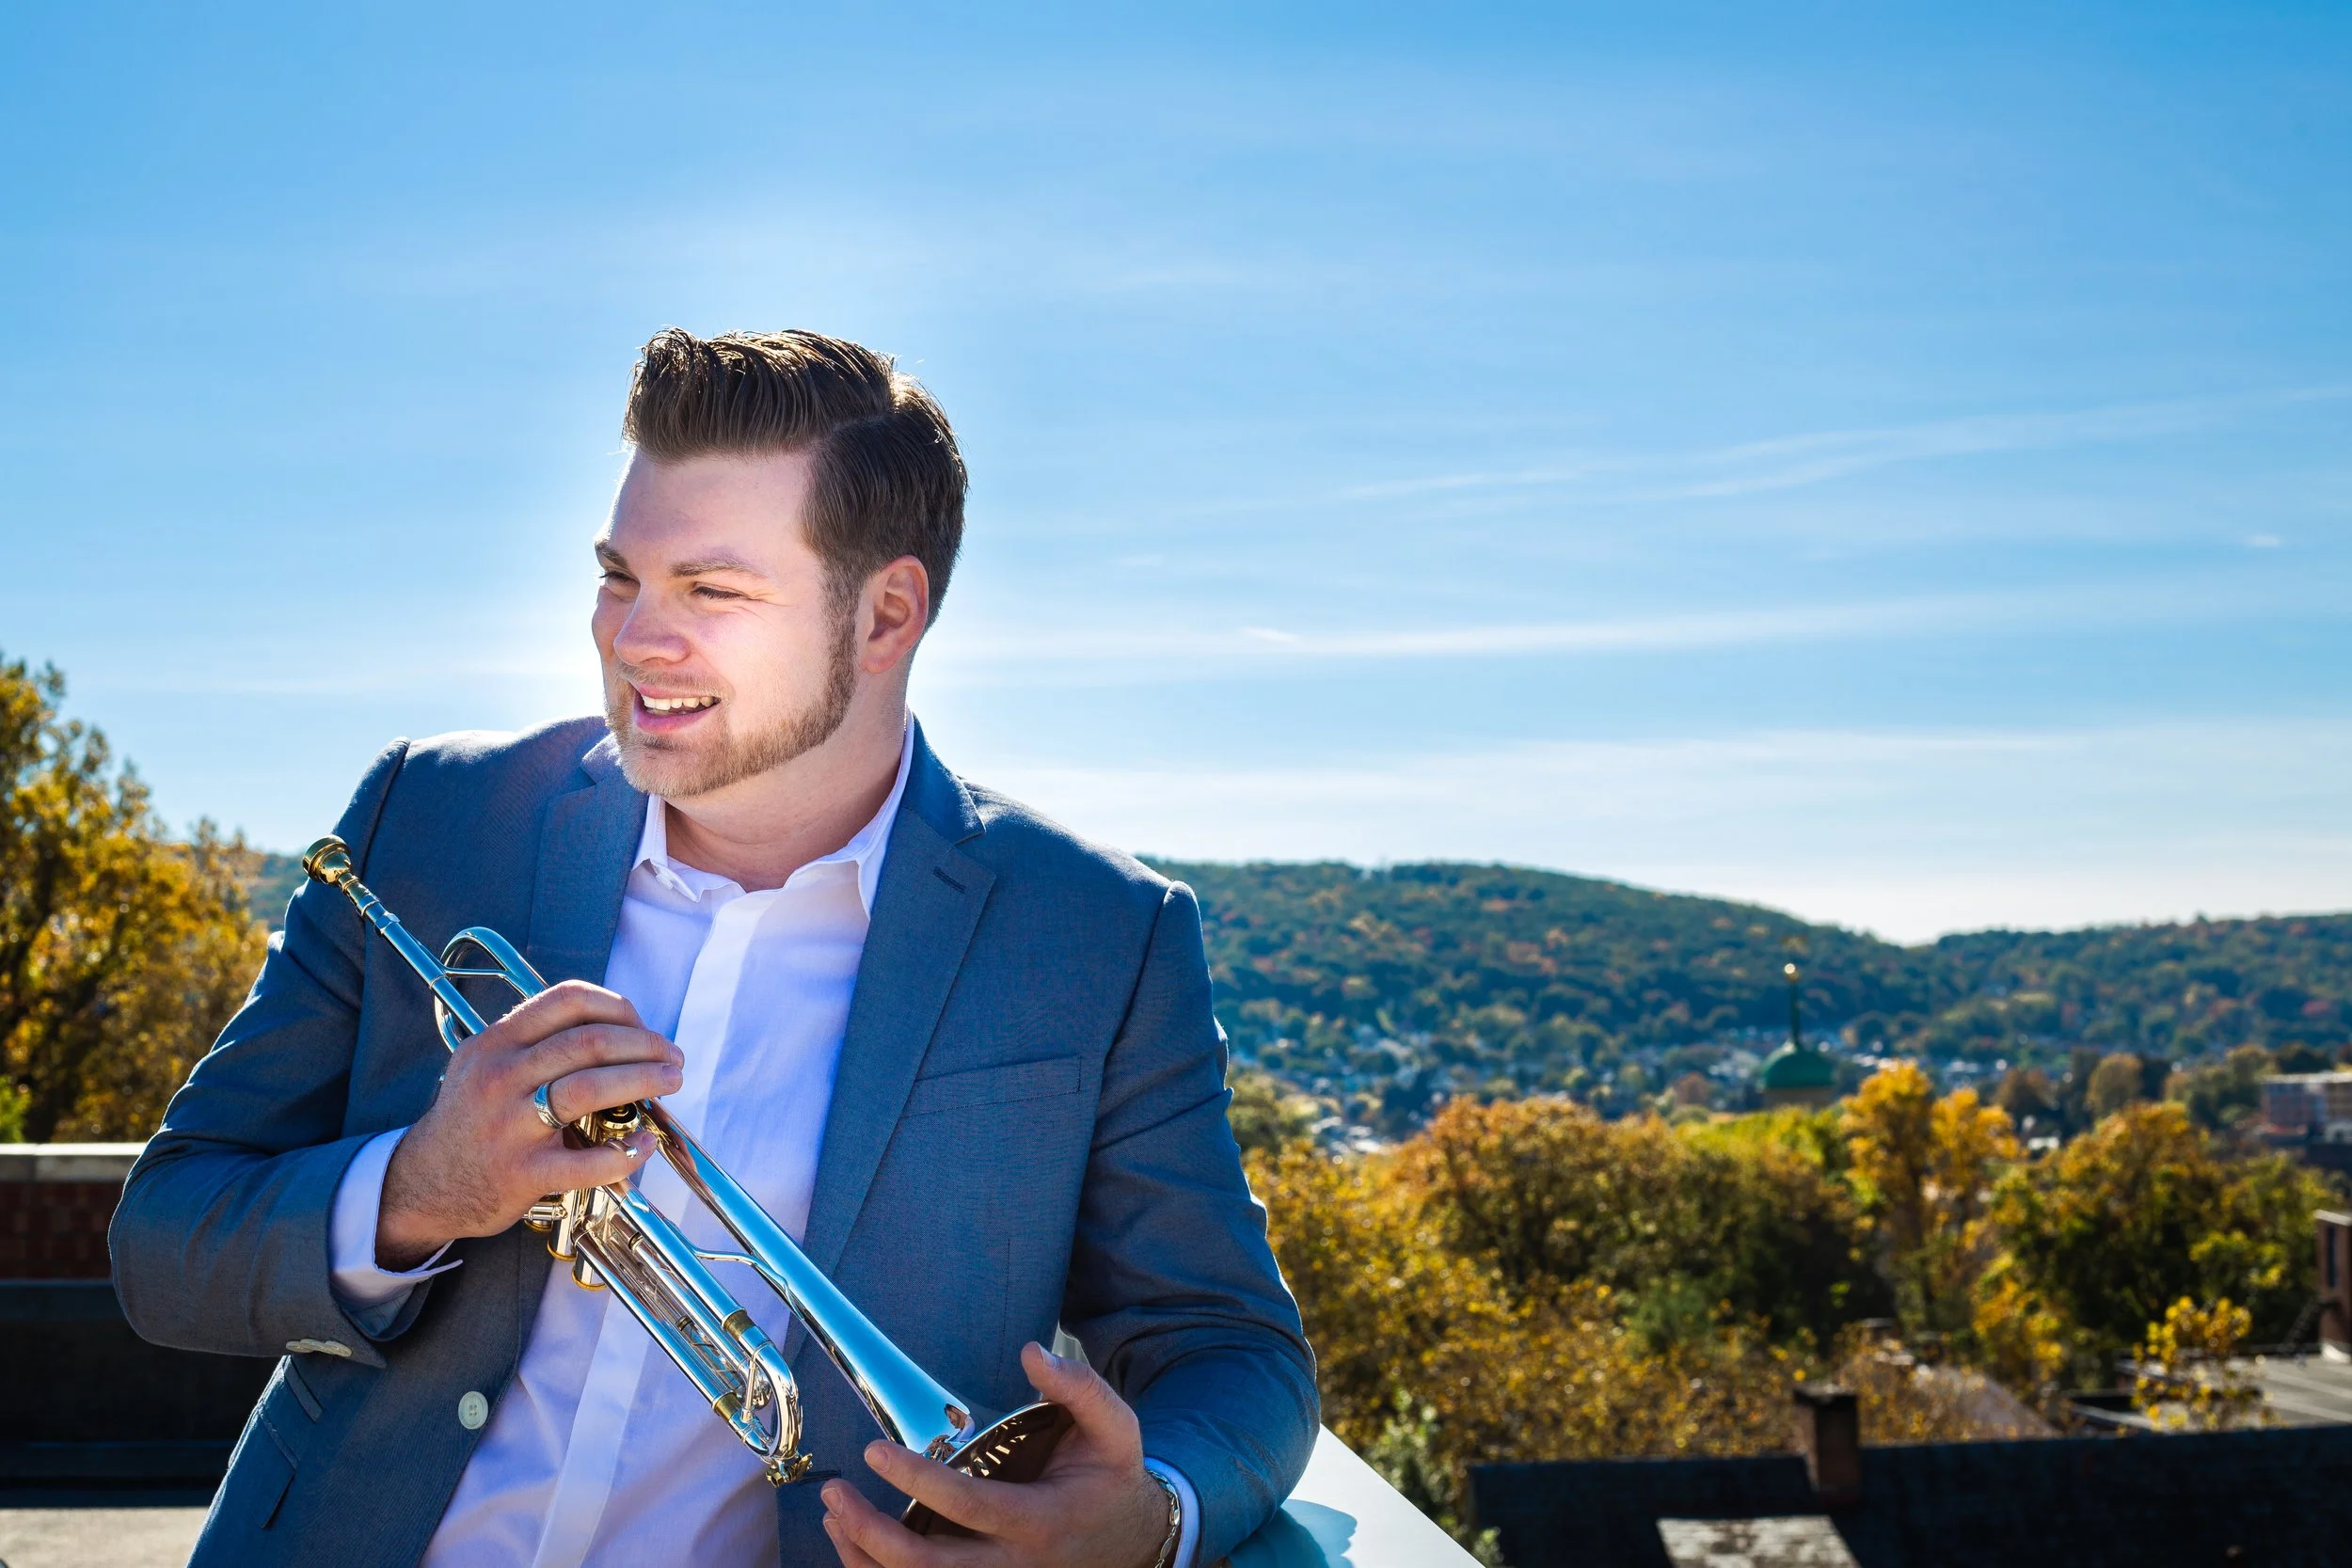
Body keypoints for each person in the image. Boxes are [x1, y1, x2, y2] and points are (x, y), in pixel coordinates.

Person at [111, 327, 1318, 1568]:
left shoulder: (1094, 939)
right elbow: (164, 1241)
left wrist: (1153, 1514)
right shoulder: (430, 814)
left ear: (886, 614)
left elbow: (1229, 1348)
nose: (636, 638)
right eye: (620, 575)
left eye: (712, 590)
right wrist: (417, 1188)